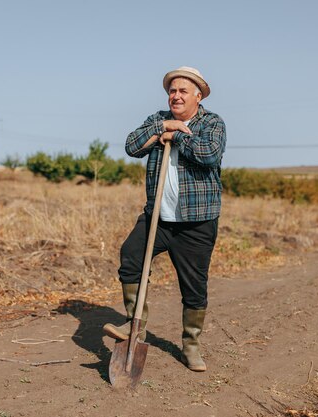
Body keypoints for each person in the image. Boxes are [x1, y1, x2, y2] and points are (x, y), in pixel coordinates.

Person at [103, 66, 226, 372]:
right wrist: (162, 129)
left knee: (194, 286)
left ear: (198, 96)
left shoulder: (212, 123)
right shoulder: (156, 119)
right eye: (172, 90)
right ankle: (136, 326)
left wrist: (174, 136)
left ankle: (191, 345)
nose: (176, 96)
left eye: (183, 91)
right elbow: (133, 145)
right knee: (130, 257)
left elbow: (208, 154)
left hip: (196, 221)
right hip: (158, 217)